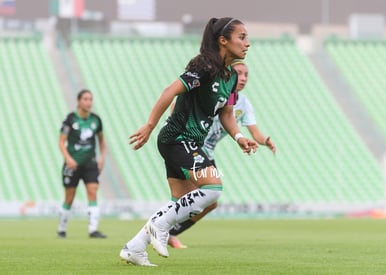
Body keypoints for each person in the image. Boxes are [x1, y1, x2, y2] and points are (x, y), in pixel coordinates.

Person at [119, 17, 257, 266]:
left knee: (180, 201)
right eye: (242, 37)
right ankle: (159, 226)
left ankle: (135, 248)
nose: (248, 43)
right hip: (177, 138)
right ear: (223, 41)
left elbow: (226, 113)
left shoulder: (231, 78)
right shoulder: (204, 68)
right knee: (213, 188)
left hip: (191, 143)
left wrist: (239, 137)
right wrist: (149, 125)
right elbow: (169, 91)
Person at [168, 59, 276, 248]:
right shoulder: (214, 91)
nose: (242, 78)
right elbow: (181, 100)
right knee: (194, 195)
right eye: (239, 73)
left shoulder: (243, 103)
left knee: (210, 202)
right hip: (189, 146)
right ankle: (160, 230)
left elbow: (254, 132)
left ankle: (168, 231)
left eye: (246, 75)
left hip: (207, 153)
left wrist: (265, 140)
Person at [57, 89, 107, 239]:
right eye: (85, 99)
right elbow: (61, 141)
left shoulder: (96, 120)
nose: (89, 102)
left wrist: (102, 158)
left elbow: (102, 141)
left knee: (93, 191)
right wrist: (68, 158)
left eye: (90, 99)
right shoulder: (70, 119)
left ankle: (93, 230)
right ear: (79, 101)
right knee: (69, 197)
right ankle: (62, 228)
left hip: (90, 163)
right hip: (72, 164)